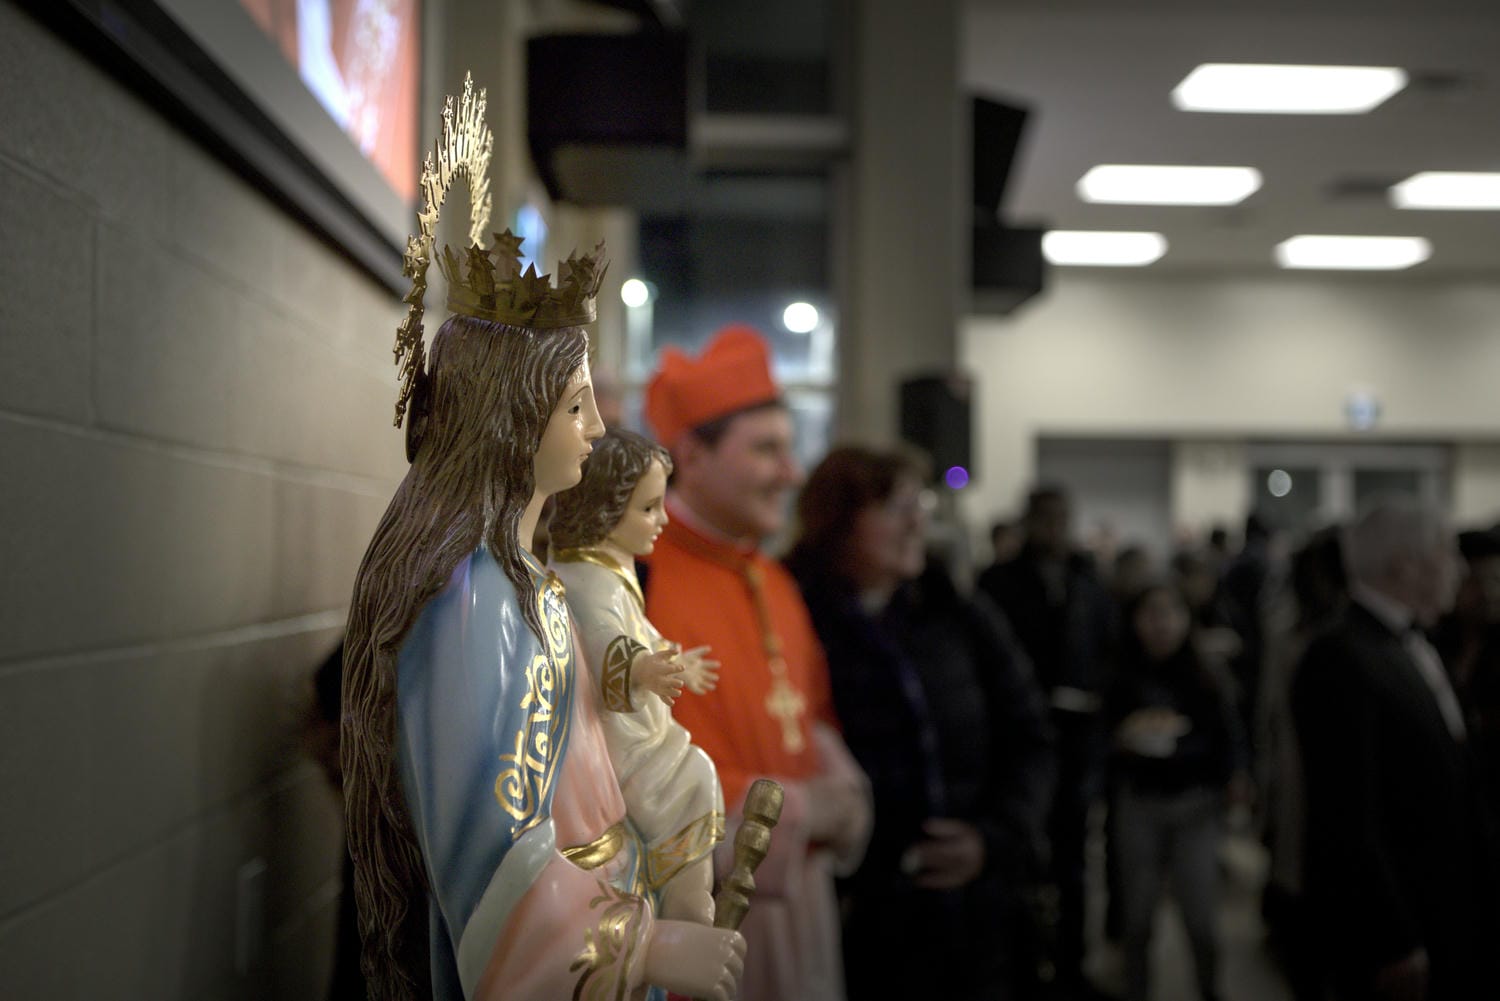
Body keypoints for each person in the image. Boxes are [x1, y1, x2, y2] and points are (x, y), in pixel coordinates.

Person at [340, 78, 744, 1001]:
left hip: (608, 905)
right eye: (575, 405)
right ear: (511, 420)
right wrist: (644, 947)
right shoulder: (471, 598)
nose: (598, 427)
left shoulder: (525, 577)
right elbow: (491, 855)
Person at [642, 325, 872, 1001]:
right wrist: (798, 812)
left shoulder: (774, 580)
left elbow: (811, 716)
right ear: (693, 453)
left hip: (799, 900)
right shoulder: (636, 577)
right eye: (767, 449)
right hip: (694, 911)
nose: (791, 473)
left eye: (789, 448)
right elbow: (635, 770)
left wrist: (844, 796)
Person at [785, 445, 1055, 1001]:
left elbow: (1030, 736)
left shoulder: (957, 613)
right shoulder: (793, 619)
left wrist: (995, 838)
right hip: (854, 917)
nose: (917, 523)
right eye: (895, 508)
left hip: (975, 913)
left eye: (920, 505)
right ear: (839, 523)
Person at [1293, 498, 1495, 1001]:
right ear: (1405, 564)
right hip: (1405, 921)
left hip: (1449, 907)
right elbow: (1346, 815)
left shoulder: (1414, 641)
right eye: (1447, 551)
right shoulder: (1339, 655)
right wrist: (1393, 940)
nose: (1460, 569)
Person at [549, 428, 726, 926]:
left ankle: (688, 896)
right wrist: (643, 667)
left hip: (630, 726)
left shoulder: (607, 568)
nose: (663, 519)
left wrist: (674, 659)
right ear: (605, 510)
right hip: (613, 740)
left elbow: (638, 632)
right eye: (648, 508)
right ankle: (687, 904)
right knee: (691, 776)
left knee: (694, 773)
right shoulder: (588, 580)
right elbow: (607, 643)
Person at [975, 484, 1115, 995]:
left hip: (1077, 738)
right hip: (1019, 739)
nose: (1055, 528)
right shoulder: (1000, 581)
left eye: (1062, 517)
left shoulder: (1086, 579)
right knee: (1020, 856)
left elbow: (1107, 645)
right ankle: (1023, 968)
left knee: (1074, 861)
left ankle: (1071, 969)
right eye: (1047, 518)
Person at [1106, 581, 1248, 1001]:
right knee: (1137, 918)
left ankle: (1209, 989)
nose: (1161, 624)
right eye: (1151, 613)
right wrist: (1122, 740)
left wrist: (1236, 778)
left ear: (1187, 620)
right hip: (1140, 802)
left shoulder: (1208, 673)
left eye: (1170, 613)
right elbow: (1103, 737)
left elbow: (1231, 738)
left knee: (1200, 917)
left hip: (1197, 804)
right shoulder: (1120, 672)